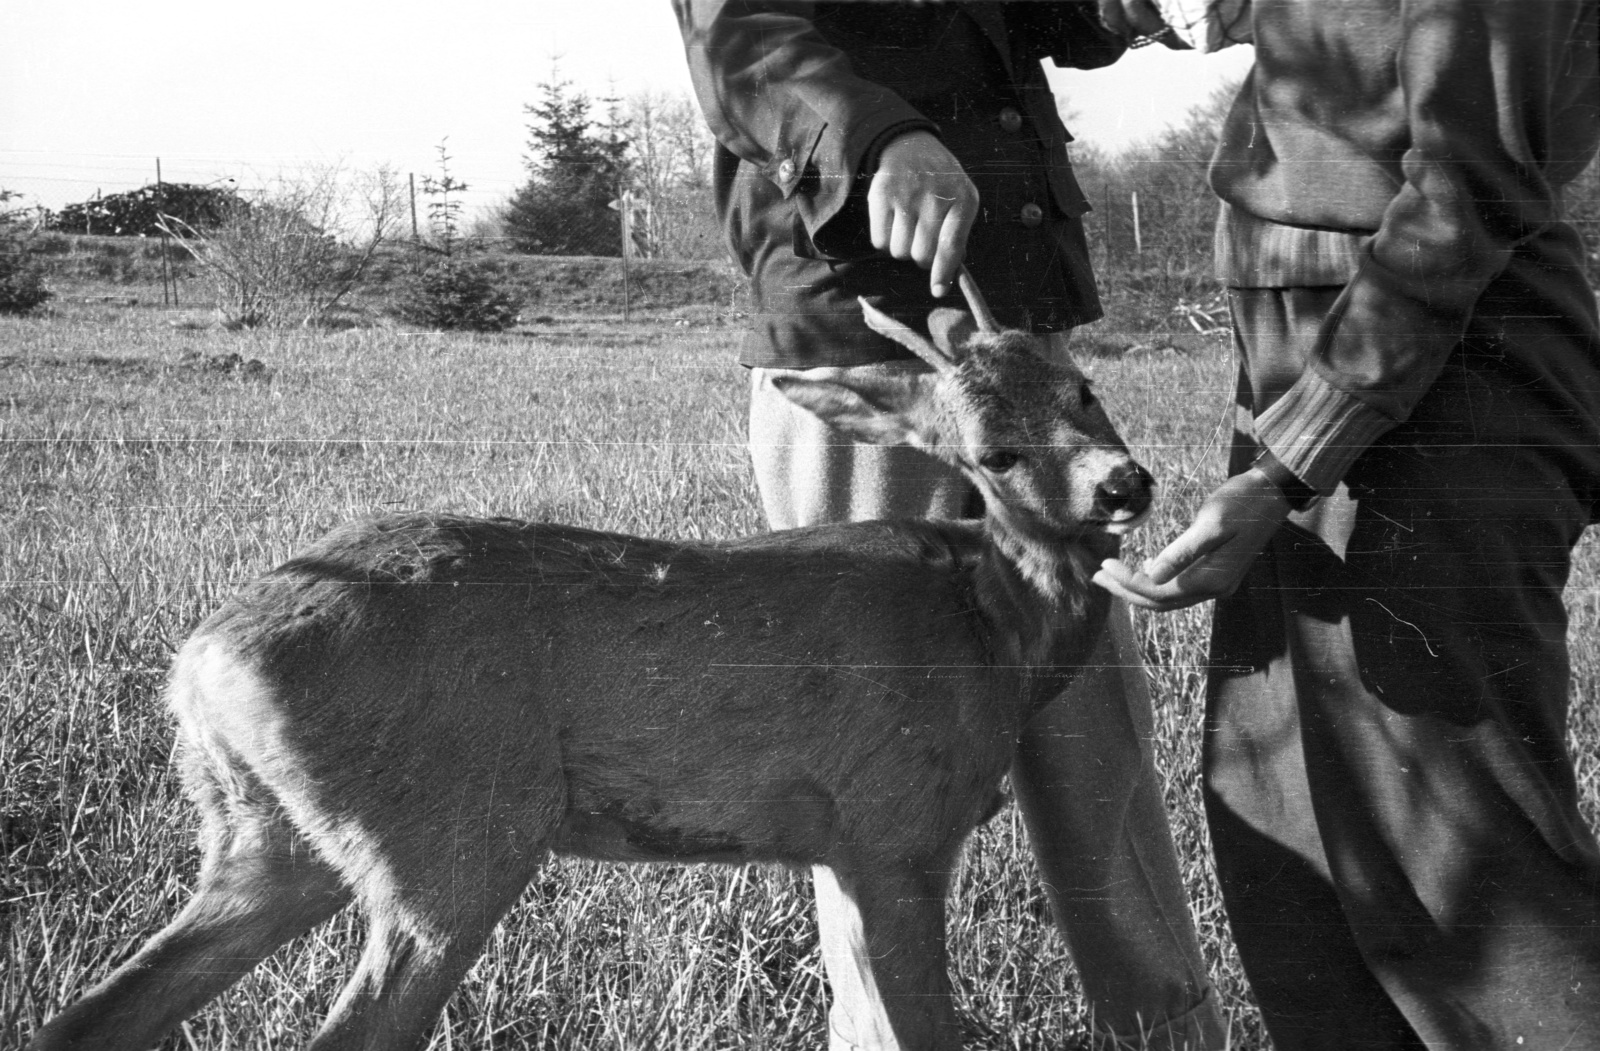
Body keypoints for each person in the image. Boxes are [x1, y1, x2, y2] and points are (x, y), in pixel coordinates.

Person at [674, 3, 1225, 1049]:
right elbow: (738, 39)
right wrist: (874, 137)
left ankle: (1174, 1037)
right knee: (870, 762)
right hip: (864, 347)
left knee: (1092, 728)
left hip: (1020, 332)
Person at [1097, 1, 1600, 1047]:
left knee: (1459, 865)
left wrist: (1289, 463)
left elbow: (1469, 183)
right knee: (1292, 839)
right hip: (1326, 368)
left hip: (1439, 375)